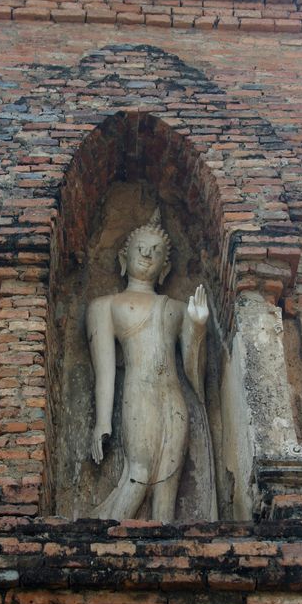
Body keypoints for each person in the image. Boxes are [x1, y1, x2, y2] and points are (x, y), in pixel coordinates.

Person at [87, 209, 209, 521]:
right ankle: (107, 538)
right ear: (123, 256)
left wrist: (196, 328)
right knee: (139, 473)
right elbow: (105, 372)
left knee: (167, 482)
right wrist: (103, 421)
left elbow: (195, 372)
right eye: (140, 247)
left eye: (155, 251)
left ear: (165, 267)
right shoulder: (105, 306)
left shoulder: (178, 309)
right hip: (138, 395)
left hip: (172, 398)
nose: (146, 253)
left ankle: (165, 552)